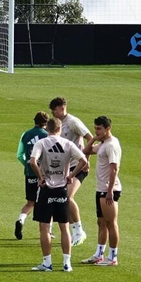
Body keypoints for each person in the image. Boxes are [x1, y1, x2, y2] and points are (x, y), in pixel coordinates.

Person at [27, 116, 89, 273]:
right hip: (62, 189)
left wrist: (41, 177)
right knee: (64, 227)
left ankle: (47, 263)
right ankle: (67, 263)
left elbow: (33, 161)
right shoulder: (67, 143)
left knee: (45, 227)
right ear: (60, 129)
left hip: (46, 189)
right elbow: (83, 161)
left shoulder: (41, 143)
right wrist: (71, 175)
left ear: (47, 129)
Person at [49, 96, 93, 247]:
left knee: (67, 196)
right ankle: (74, 231)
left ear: (62, 108)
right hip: (65, 168)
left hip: (78, 166)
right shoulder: (58, 124)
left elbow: (90, 138)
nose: (53, 113)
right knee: (62, 200)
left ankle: (79, 231)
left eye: (54, 110)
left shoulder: (73, 122)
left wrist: (86, 159)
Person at [84, 115, 123, 266]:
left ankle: (112, 257)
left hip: (108, 190)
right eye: (95, 128)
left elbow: (114, 169)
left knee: (111, 223)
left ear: (108, 128)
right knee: (101, 222)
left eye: (99, 129)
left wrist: (110, 190)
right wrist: (94, 139)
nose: (96, 131)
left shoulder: (111, 145)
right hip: (101, 189)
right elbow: (86, 151)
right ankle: (99, 254)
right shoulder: (103, 143)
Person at [14, 111, 51, 240]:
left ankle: (21, 219)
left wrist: (28, 165)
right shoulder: (48, 136)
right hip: (45, 174)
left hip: (30, 173)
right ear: (46, 123)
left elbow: (19, 155)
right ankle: (48, 231)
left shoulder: (26, 134)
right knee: (47, 202)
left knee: (30, 202)